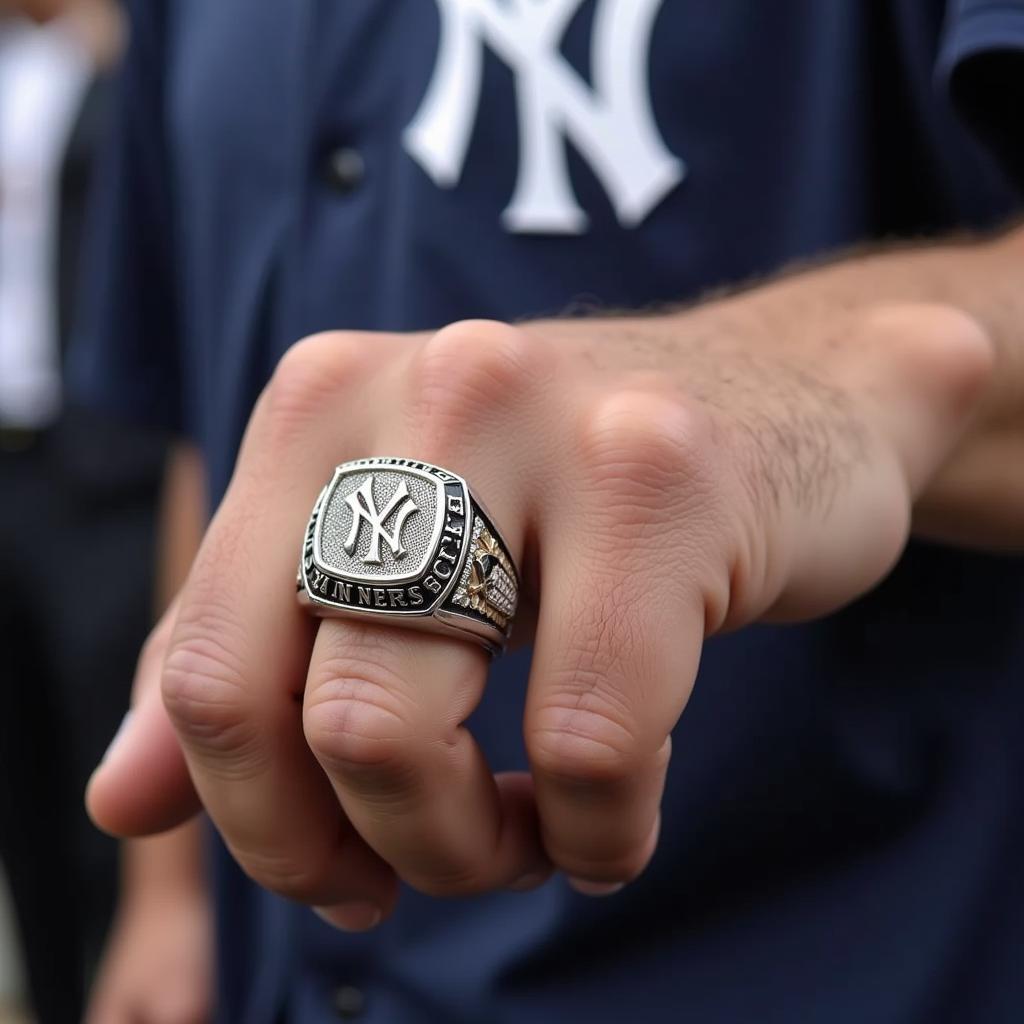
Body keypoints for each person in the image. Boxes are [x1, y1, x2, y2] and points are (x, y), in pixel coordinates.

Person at [77, 1, 1024, 1021]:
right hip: (279, 966)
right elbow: (215, 428)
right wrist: (171, 896)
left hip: (792, 952)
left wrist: (797, 377)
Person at [0, 1, 171, 1020]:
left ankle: (140, 976)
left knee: (106, 770)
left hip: (98, 476)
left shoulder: (127, 55)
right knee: (17, 780)